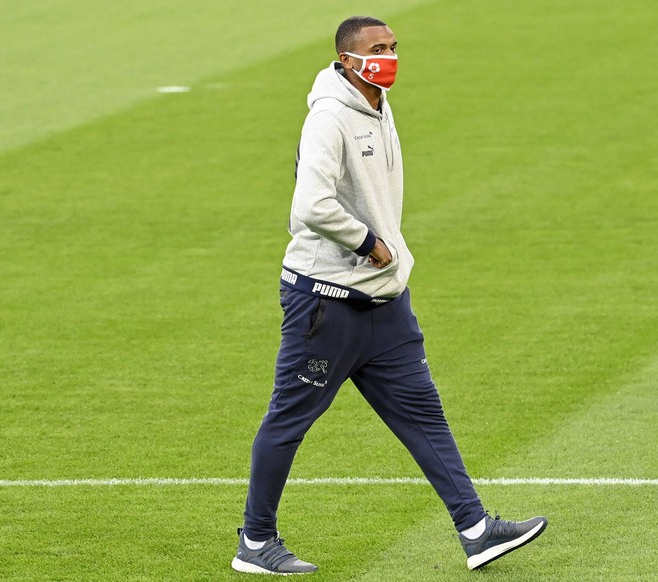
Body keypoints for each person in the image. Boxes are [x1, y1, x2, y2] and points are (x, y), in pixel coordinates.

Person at [231, 15, 547, 575]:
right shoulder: (328, 118)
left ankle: (475, 529)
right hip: (326, 305)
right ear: (347, 59)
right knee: (289, 420)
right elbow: (309, 205)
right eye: (378, 49)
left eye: (395, 47)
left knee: (425, 415)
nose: (390, 57)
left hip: (384, 303)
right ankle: (255, 543)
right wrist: (367, 241)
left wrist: (388, 259)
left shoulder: (376, 102)